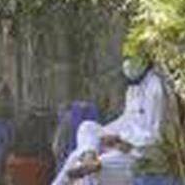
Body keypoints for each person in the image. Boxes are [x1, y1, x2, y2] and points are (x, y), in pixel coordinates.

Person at [52, 55, 167, 185]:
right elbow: (127, 120)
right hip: (119, 144)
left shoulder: (156, 89)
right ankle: (89, 158)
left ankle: (88, 161)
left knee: (82, 166)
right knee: (87, 127)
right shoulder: (133, 87)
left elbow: (155, 138)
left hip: (136, 157)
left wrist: (121, 140)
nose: (126, 63)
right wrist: (108, 133)